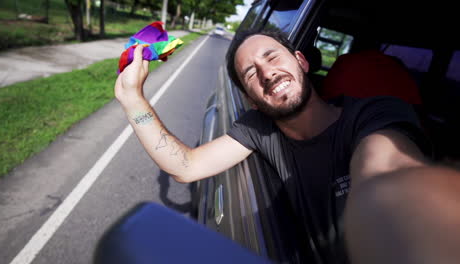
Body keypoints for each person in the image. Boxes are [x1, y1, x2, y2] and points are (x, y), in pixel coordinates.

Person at [114, 30, 460, 263]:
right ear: (249, 98)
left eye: (273, 57)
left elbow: (386, 173)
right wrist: (132, 98)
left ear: (302, 61)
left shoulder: (376, 114)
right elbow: (185, 167)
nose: (267, 73)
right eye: (251, 73)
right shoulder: (258, 129)